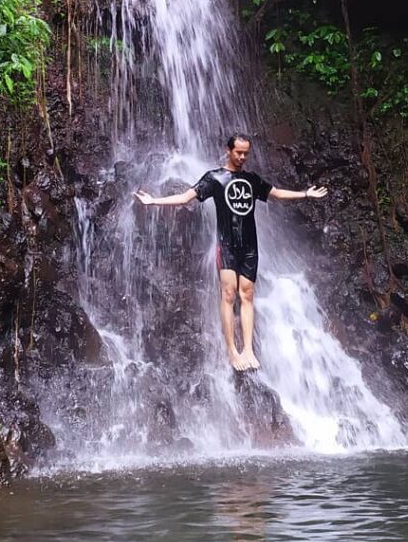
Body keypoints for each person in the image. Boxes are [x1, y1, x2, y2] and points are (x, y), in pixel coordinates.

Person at [134, 133, 328, 371]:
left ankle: (248, 349)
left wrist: (305, 194)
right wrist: (154, 201)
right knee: (229, 294)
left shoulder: (252, 179)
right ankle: (231, 350)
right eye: (239, 152)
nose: (243, 157)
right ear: (228, 150)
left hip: (249, 246)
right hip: (226, 244)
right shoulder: (214, 178)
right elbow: (186, 198)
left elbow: (276, 193)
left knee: (247, 294)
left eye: (246, 153)